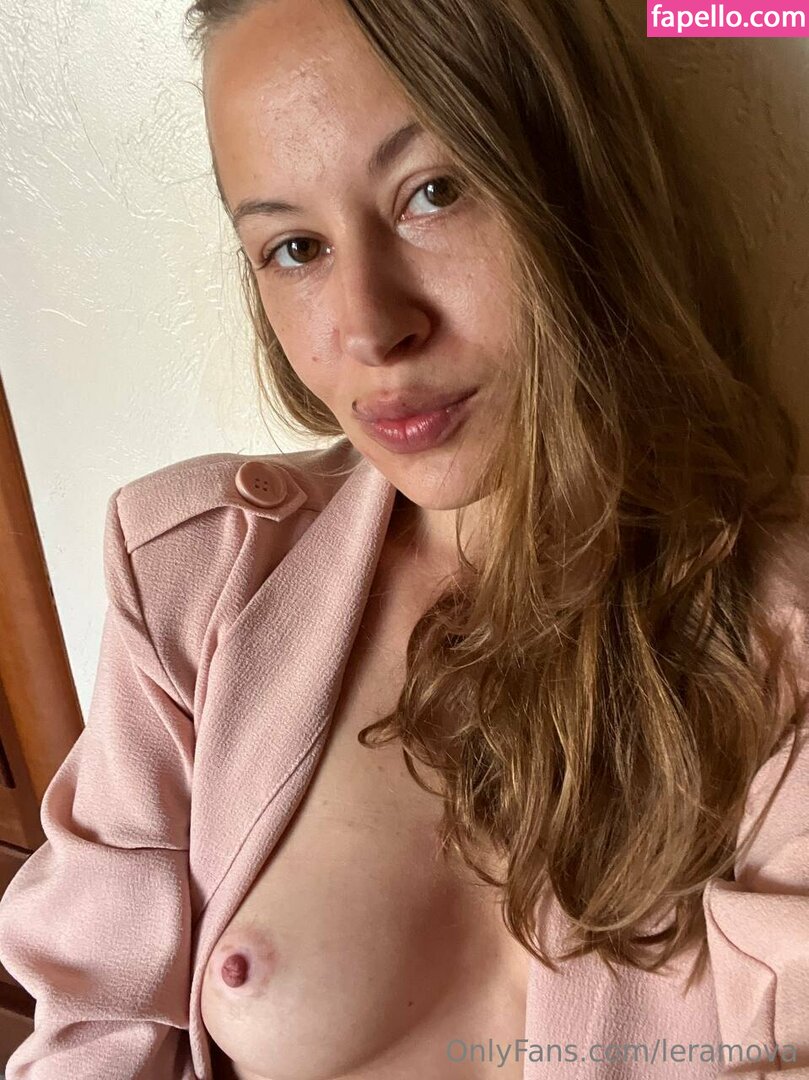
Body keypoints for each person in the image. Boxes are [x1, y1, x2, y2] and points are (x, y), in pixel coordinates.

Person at [0, 0, 807, 1077]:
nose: (373, 328)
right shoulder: (190, 583)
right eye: (295, 248)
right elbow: (98, 1031)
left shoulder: (782, 635)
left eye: (432, 192)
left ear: (568, 177)